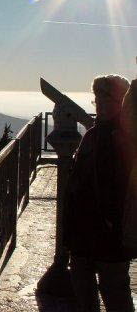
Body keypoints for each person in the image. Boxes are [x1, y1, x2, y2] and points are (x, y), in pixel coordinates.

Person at [71, 74, 134, 311]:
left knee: (114, 291)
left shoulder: (125, 139)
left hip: (111, 235)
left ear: (121, 103)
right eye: (97, 100)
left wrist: (114, 223)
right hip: (83, 231)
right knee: (83, 286)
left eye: (106, 100)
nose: (100, 105)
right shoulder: (92, 135)